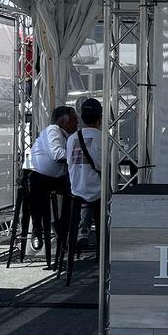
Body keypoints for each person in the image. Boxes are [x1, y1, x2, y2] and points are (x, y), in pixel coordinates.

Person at [26, 105, 77, 251]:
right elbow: (57, 154)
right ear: (63, 121)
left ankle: (62, 230)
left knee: (74, 192)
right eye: (74, 119)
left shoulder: (70, 135)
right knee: (36, 184)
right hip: (37, 174)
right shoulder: (53, 130)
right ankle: (37, 229)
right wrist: (78, 155)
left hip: (55, 178)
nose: (77, 122)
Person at [66, 97, 102, 248]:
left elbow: (69, 163)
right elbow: (105, 165)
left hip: (76, 190)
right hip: (98, 192)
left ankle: (81, 232)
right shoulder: (102, 138)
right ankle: (105, 244)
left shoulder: (71, 139)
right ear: (100, 118)